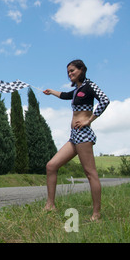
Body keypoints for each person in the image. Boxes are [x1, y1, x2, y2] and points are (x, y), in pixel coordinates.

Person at [43, 59, 110, 221]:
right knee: (51, 166)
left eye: (72, 70)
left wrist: (89, 120)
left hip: (84, 134)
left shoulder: (89, 86)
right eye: (68, 72)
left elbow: (105, 100)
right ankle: (50, 205)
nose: (70, 74)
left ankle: (96, 213)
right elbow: (64, 95)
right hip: (74, 136)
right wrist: (51, 91)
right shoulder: (76, 90)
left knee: (90, 173)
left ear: (82, 70)